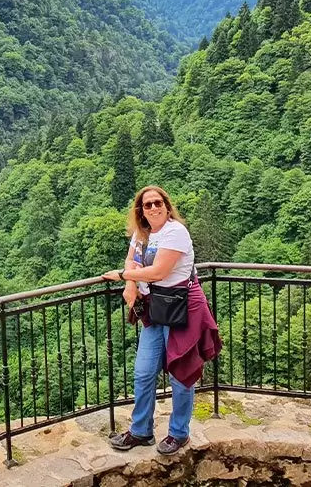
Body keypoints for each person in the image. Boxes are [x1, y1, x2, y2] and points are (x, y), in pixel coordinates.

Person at [101, 185, 222, 455]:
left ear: (167, 206)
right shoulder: (141, 234)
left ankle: (179, 433)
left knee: (181, 372)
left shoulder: (175, 232)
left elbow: (158, 272)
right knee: (143, 372)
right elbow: (132, 260)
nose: (154, 208)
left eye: (158, 203)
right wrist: (131, 283)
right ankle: (140, 431)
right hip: (155, 310)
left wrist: (121, 277)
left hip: (181, 309)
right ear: (140, 211)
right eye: (147, 205)